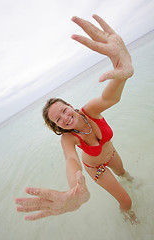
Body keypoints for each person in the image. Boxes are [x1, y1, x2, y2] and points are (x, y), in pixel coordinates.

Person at [15, 14, 139, 224]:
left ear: (71, 106)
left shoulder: (90, 110)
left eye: (64, 110)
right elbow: (71, 161)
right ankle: (131, 220)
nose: (64, 118)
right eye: (58, 120)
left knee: (125, 174)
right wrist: (75, 189)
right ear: (57, 127)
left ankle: (134, 184)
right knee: (126, 202)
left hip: (112, 153)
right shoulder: (68, 139)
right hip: (96, 169)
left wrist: (123, 72)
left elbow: (109, 98)